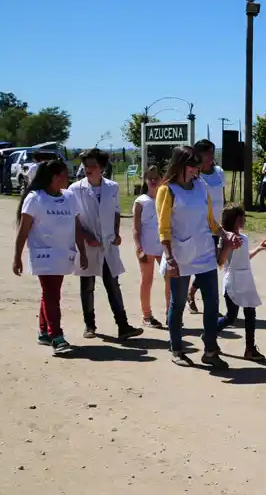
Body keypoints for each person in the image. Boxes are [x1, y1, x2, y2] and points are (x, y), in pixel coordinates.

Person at [158, 145, 241, 369]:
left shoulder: (200, 186)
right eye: (192, 165)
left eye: (198, 165)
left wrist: (225, 233)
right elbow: (163, 229)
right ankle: (177, 348)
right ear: (180, 165)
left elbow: (210, 220)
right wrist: (170, 257)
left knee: (212, 303)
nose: (197, 169)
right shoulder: (167, 191)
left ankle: (210, 350)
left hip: (204, 252)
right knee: (177, 304)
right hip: (180, 255)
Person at [12, 160, 88, 355]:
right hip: (43, 255)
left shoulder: (69, 197)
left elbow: (77, 226)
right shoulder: (35, 198)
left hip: (63, 255)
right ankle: (57, 336)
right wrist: (17, 257)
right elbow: (23, 230)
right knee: (52, 294)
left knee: (51, 293)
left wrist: (83, 251)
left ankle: (44, 332)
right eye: (64, 174)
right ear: (55, 177)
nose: (68, 177)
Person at [69, 149, 143, 341]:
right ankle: (90, 325)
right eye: (85, 165)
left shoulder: (112, 187)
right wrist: (86, 236)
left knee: (113, 284)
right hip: (88, 244)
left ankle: (123, 325)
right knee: (87, 285)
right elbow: (74, 218)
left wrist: (117, 233)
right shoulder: (75, 189)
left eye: (92, 165)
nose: (88, 169)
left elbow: (117, 211)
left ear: (102, 167)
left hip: (108, 243)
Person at [216, 205, 266, 360]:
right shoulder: (225, 239)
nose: (243, 220)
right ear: (232, 220)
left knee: (250, 314)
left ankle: (250, 349)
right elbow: (220, 261)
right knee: (231, 316)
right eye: (240, 217)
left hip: (246, 281)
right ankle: (210, 334)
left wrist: (259, 248)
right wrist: (228, 246)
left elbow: (245, 257)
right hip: (232, 281)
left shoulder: (245, 238)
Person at [188, 140, 226, 314]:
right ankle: (210, 305)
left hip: (217, 227)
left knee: (214, 263)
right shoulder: (194, 176)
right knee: (207, 265)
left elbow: (222, 199)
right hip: (201, 227)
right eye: (206, 154)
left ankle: (193, 292)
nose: (210, 157)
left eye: (212, 153)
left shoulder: (219, 172)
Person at [132, 165, 170, 329]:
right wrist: (139, 248)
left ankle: (171, 314)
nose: (153, 181)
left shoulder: (166, 198)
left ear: (162, 179)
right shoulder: (141, 201)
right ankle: (147, 315)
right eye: (150, 178)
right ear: (145, 180)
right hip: (146, 247)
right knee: (146, 281)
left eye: (156, 177)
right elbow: (136, 228)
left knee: (170, 280)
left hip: (164, 247)